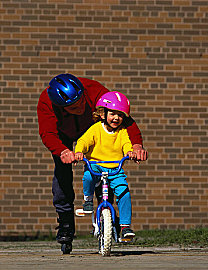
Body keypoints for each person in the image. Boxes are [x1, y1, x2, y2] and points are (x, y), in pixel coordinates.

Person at [37, 73, 147, 248]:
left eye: (81, 101)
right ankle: (65, 224)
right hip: (63, 136)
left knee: (104, 169)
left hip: (95, 130)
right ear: (61, 107)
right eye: (73, 108)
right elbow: (48, 133)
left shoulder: (94, 91)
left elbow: (123, 117)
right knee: (62, 173)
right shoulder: (46, 102)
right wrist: (63, 151)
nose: (81, 108)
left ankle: (106, 213)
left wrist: (137, 145)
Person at [75, 91, 137, 239]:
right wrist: (79, 152)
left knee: (124, 192)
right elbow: (83, 141)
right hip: (96, 165)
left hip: (115, 168)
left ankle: (125, 227)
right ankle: (88, 200)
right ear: (103, 114)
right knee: (88, 177)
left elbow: (126, 144)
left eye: (120, 115)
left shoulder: (122, 132)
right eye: (113, 113)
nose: (116, 118)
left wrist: (130, 152)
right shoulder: (96, 129)